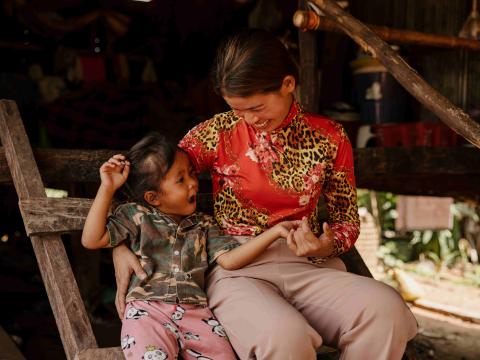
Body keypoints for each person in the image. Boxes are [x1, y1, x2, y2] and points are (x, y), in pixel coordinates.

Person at [112, 29, 418, 359]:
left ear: (288, 84)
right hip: (236, 269)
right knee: (285, 336)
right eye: (238, 110)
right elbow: (149, 181)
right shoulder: (218, 133)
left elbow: (346, 218)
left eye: (256, 107)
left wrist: (326, 244)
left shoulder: (330, 137)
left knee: (386, 309)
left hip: (310, 266)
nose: (249, 120)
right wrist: (119, 243)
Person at [81, 132, 299, 360]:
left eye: (192, 174)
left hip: (198, 313)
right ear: (153, 197)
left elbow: (230, 260)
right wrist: (107, 187)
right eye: (181, 180)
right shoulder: (137, 216)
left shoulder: (203, 224)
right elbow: (92, 239)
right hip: (148, 311)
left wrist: (274, 233)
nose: (193, 183)